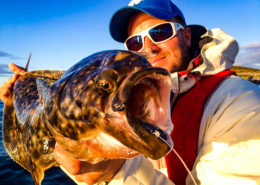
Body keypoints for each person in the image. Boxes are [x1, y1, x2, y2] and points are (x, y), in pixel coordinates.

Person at [1, 0, 260, 184]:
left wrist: (116, 172)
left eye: (160, 32)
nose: (149, 48)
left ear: (187, 35)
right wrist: (17, 98)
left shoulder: (241, 104)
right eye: (135, 41)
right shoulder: (126, 99)